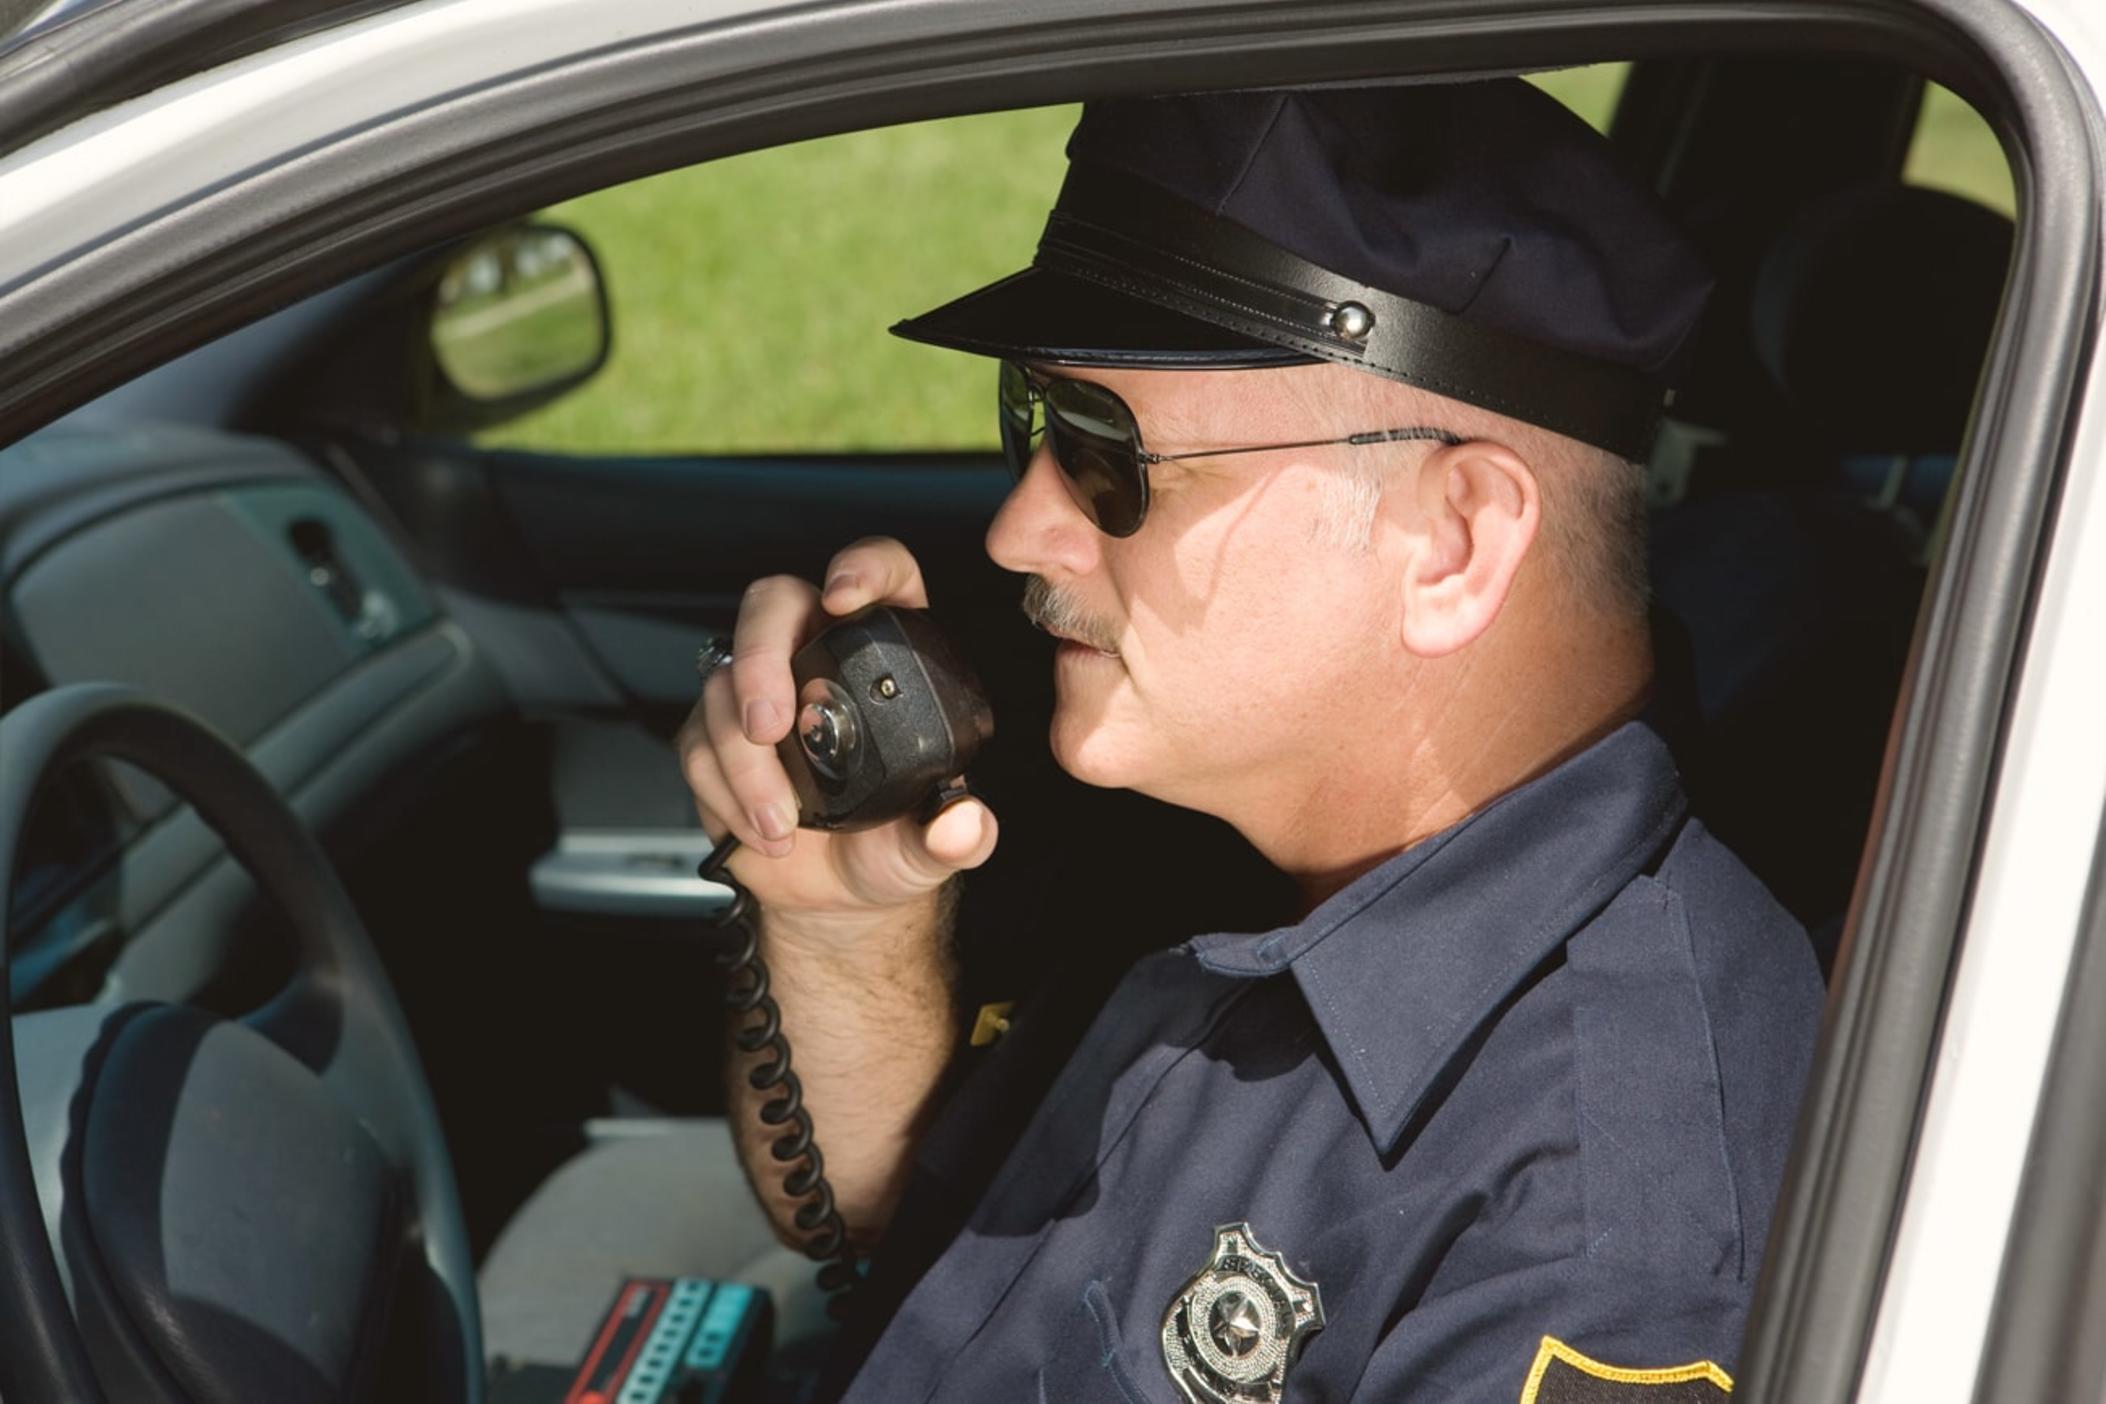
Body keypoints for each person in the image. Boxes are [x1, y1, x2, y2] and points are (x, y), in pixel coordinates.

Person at [676, 80, 1824, 1403]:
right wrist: (841, 930)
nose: (1017, 532)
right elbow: (903, 1224)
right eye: (1036, 420)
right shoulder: (1192, 793)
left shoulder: (1603, 1226)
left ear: (1452, 544)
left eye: (1108, 458)